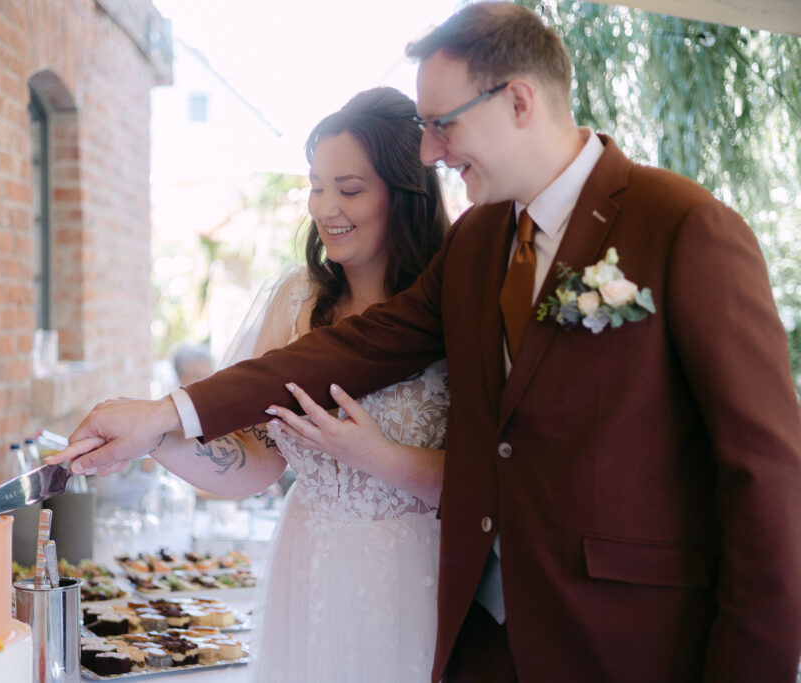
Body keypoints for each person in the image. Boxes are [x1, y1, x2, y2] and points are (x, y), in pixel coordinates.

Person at [49, 3, 801, 681]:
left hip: (623, 639)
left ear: (517, 100)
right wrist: (164, 415)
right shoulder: (478, 241)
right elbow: (355, 347)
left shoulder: (684, 227)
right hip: (473, 638)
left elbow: (767, 481)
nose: (432, 150)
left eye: (444, 123)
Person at [95, 87, 451, 681]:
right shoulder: (296, 302)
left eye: (350, 189)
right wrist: (154, 438)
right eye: (316, 185)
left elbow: (488, 480)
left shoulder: (451, 308)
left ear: (405, 193)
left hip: (416, 571)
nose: (324, 207)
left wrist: (376, 457)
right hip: (308, 566)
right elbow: (258, 457)